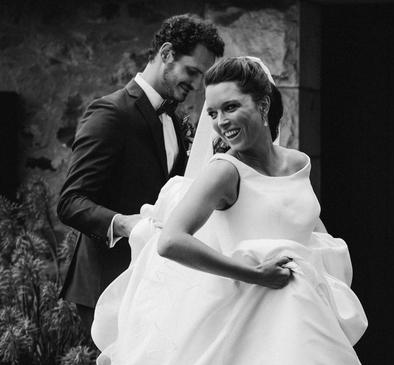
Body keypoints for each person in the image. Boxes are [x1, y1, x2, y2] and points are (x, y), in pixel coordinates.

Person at [91, 56, 367, 364]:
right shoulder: (225, 171)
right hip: (250, 318)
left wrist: (321, 271)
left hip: (305, 314)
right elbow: (170, 241)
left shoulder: (298, 162)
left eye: (231, 107)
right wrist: (255, 273)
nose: (220, 121)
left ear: (263, 105)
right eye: (212, 112)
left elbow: (306, 222)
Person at [56, 14, 224, 332]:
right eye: (192, 71)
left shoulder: (173, 120)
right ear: (166, 53)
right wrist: (126, 224)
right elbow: (71, 202)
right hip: (108, 282)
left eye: (202, 77)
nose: (198, 85)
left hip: (150, 280)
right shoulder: (110, 113)